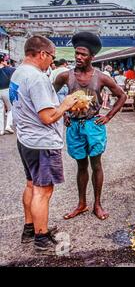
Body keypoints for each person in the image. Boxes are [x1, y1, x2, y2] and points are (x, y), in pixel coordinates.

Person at [10, 35, 78, 254]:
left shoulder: (18, 73)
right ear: (42, 54)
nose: (52, 61)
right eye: (52, 56)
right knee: (43, 191)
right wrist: (65, 105)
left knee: (31, 185)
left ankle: (30, 230)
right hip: (41, 143)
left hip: (26, 139)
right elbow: (47, 116)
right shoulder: (37, 78)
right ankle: (41, 240)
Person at [53, 32, 127, 221]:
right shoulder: (64, 76)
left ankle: (97, 204)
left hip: (93, 125)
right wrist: (62, 114)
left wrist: (109, 116)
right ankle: (81, 204)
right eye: (77, 53)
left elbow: (122, 96)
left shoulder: (101, 77)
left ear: (91, 57)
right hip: (74, 126)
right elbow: (50, 96)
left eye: (83, 54)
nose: (78, 57)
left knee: (96, 165)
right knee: (81, 166)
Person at [0, 54, 15, 135]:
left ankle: (1, 130)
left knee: (0, 111)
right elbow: (15, 70)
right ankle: (8, 126)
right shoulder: (8, 69)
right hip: (6, 90)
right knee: (11, 108)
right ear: (3, 61)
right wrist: (6, 65)